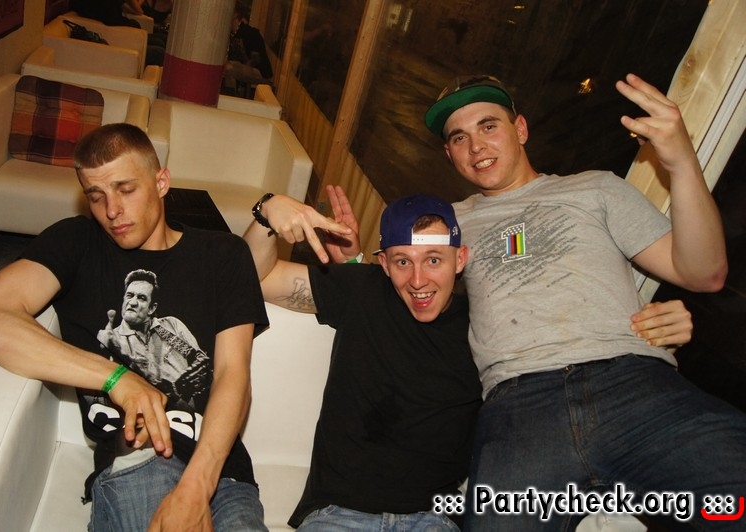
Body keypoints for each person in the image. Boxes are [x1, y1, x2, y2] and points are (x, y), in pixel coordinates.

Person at [243, 186, 696, 531]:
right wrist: (268, 211)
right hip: (339, 515)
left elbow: (574, 336)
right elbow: (253, 277)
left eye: (433, 260)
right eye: (402, 262)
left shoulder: (492, 325)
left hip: (435, 520)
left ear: (461, 259)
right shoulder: (362, 291)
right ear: (383, 264)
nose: (418, 280)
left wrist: (658, 328)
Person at [421, 73, 746, 530]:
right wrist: (347, 254)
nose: (476, 146)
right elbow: (400, 281)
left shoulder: (596, 188)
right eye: (459, 137)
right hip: (519, 410)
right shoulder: (449, 224)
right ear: (449, 153)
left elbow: (704, 272)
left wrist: (681, 163)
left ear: (520, 129)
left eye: (489, 126)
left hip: (633, 384)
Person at [0, 123, 269, 531]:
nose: (111, 211)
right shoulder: (76, 242)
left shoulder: (222, 254)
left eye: (126, 189)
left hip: (223, 473)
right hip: (137, 458)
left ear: (161, 182)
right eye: (96, 195)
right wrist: (116, 378)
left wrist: (197, 485)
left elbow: (233, 375)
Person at [97, 269, 209, 409]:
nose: (132, 302)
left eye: (141, 298)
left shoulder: (171, 325)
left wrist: (184, 387)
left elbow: (200, 362)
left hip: (187, 413)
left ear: (152, 308)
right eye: (129, 295)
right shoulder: (112, 340)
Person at [223, 2, 273, 97]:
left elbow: (256, 59)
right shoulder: (234, 33)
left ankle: (230, 96)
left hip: (261, 72)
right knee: (226, 65)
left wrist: (241, 67)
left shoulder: (249, 33)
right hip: (248, 67)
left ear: (235, 14)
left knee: (229, 69)